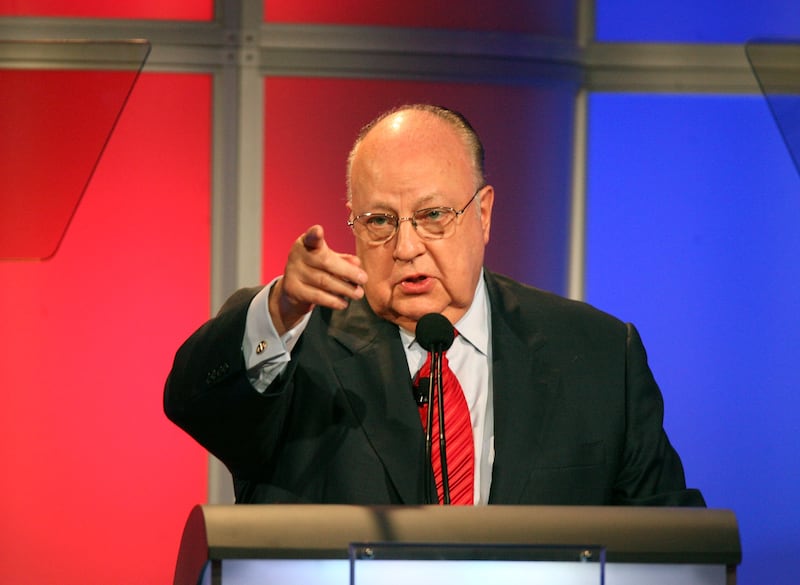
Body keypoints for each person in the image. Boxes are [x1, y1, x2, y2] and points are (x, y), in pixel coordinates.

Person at [164, 104, 705, 507]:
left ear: (484, 214)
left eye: (433, 216)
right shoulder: (300, 343)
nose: (405, 247)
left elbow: (669, 543)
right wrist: (280, 308)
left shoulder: (600, 354)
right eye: (379, 221)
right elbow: (193, 402)